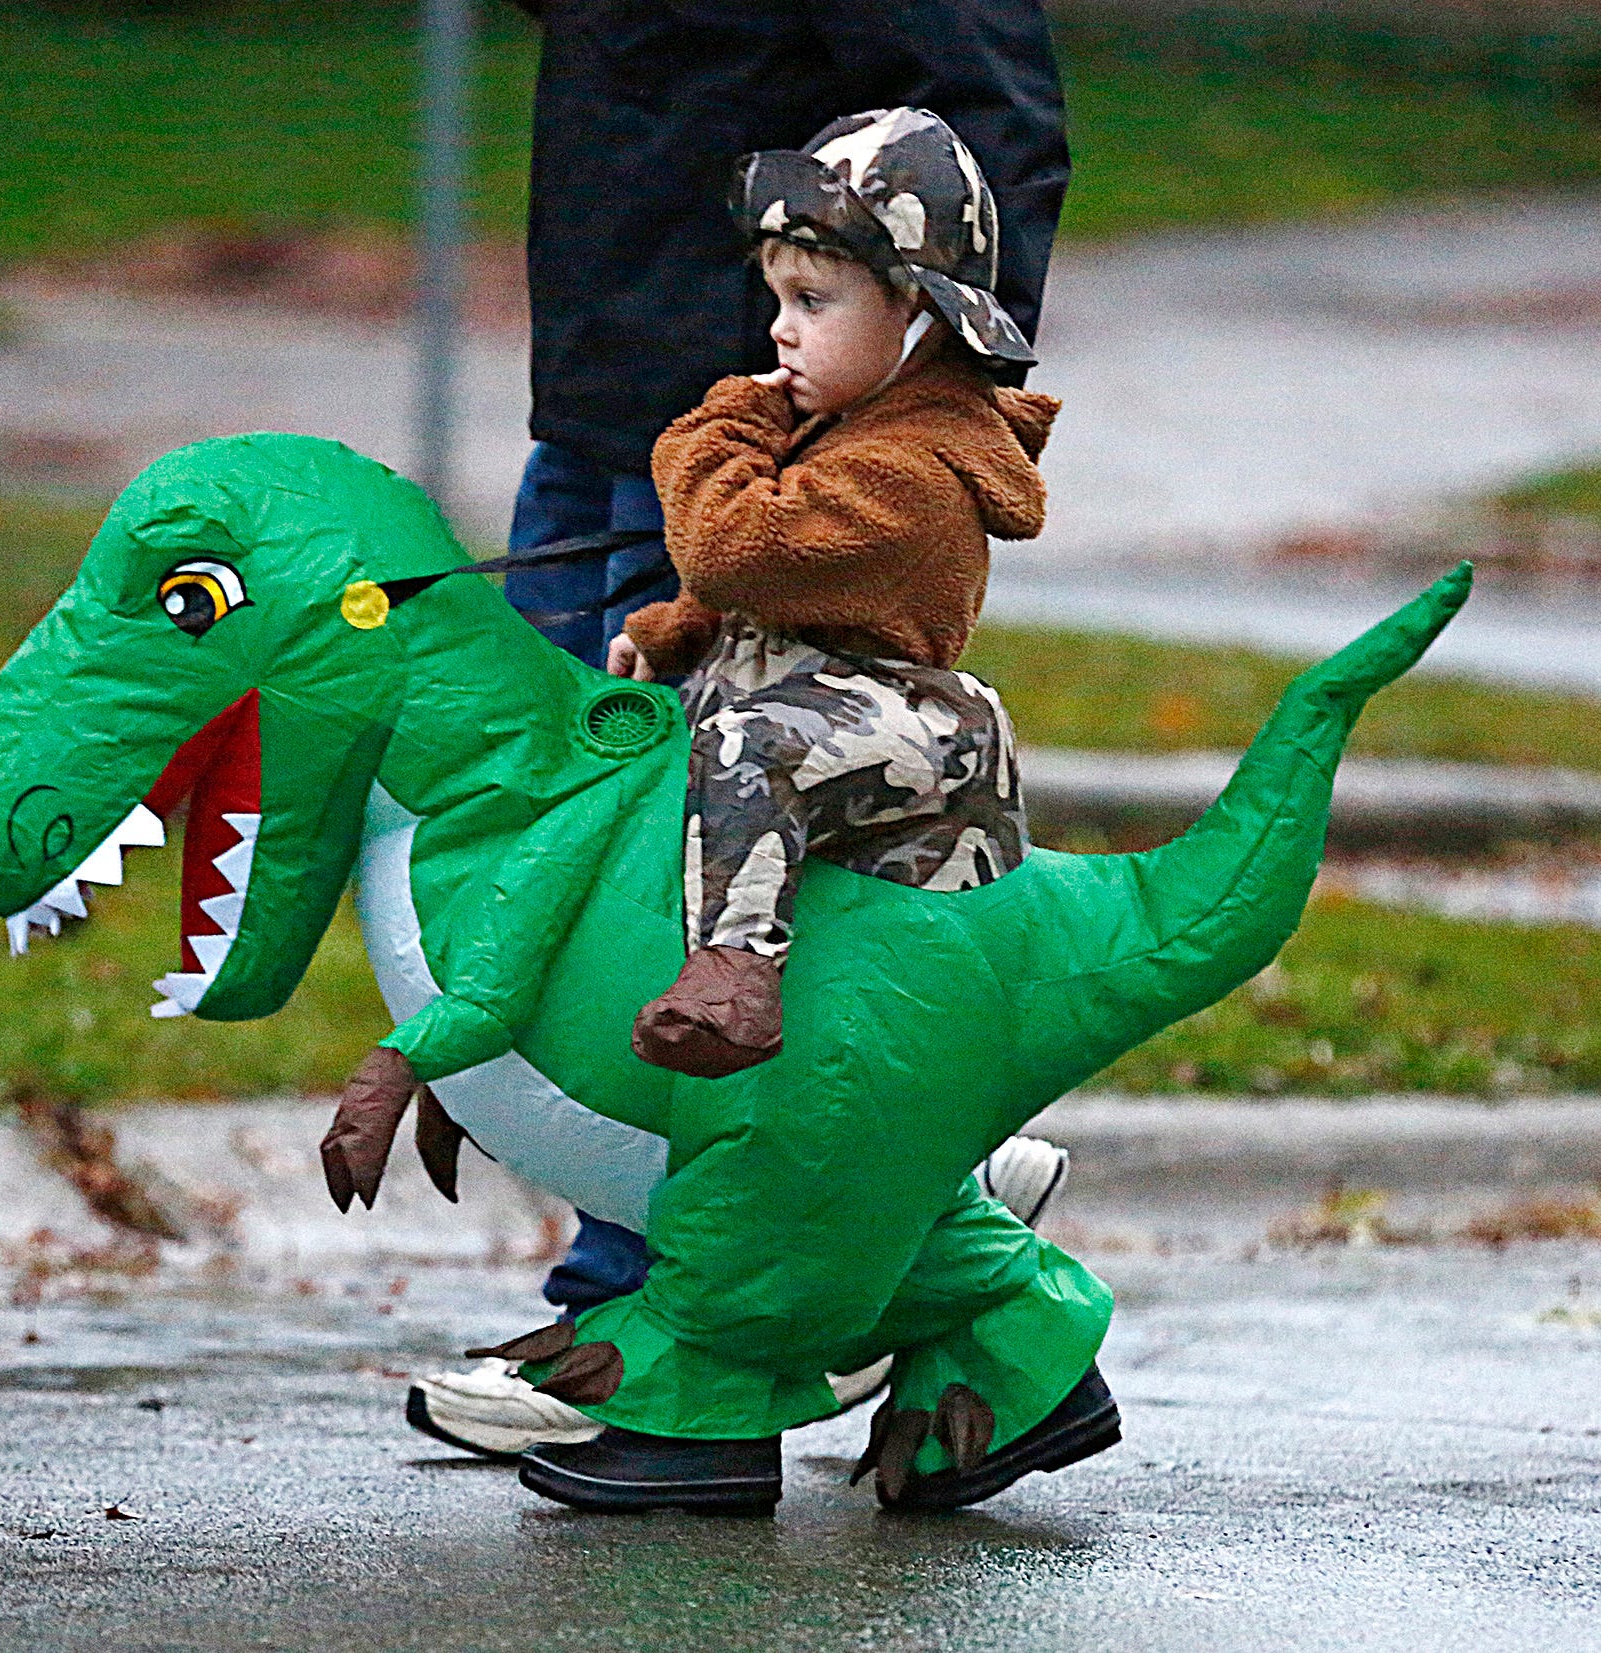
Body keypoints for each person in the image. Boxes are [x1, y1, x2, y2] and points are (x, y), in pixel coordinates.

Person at [406, 0, 1073, 1459]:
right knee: (564, 869)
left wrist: (899, 417)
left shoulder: (834, 422)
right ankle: (935, 1231)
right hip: (596, 415)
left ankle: (652, 1315)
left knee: (682, 893)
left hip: (749, 468)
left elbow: (993, 111)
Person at [620, 107, 1053, 1077]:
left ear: (913, 316)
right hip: (836, 713)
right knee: (689, 740)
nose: (778, 331)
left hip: (919, 733)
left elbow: (735, 550)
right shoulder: (850, 425)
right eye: (776, 299)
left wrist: (722, 424)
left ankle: (734, 976)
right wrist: (673, 636)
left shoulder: (912, 466)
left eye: (812, 302)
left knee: (745, 742)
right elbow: (769, 593)